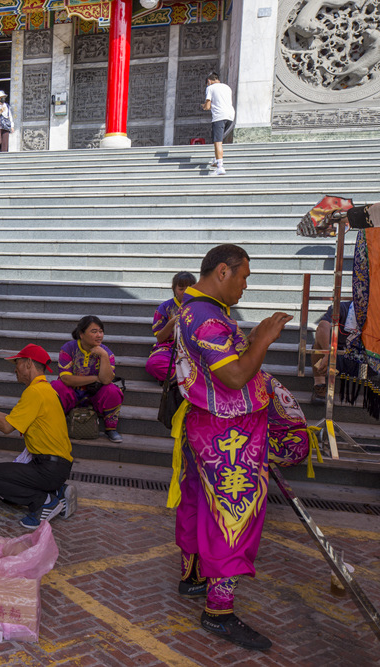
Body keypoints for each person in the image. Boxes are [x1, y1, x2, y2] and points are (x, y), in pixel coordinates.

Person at [170, 243, 308, 652]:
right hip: (226, 434)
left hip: (207, 425)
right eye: (244, 276)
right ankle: (219, 611)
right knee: (234, 513)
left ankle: (193, 576)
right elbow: (232, 376)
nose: (246, 286)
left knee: (197, 502)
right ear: (224, 272)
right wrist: (263, 338)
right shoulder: (208, 318)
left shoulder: (193, 306)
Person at [0, 344, 76, 529]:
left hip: (48, 468)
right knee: (4, 493)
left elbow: (7, 426)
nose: (15, 369)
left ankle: (44, 501)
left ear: (29, 364)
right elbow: (11, 420)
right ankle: (58, 491)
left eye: (17, 363)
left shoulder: (34, 392)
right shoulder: (45, 389)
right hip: (56, 466)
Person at [52, 316, 125, 443]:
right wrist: (96, 378)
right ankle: (57, 423)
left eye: (101, 331)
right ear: (81, 334)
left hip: (94, 395)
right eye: (94, 331)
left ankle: (110, 428)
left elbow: (107, 380)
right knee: (56, 386)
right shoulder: (68, 348)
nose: (99, 335)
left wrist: (103, 355)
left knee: (113, 390)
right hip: (72, 393)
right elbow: (66, 379)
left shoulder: (106, 352)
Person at [146, 271, 197, 383]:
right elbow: (160, 338)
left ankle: (179, 379)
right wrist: (172, 322)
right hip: (170, 348)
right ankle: (189, 380)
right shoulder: (164, 308)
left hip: (194, 349)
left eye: (189, 288)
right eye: (181, 288)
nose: (185, 292)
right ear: (174, 289)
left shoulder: (201, 306)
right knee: (154, 364)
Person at [311, 300, 358, 404]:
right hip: (336, 358)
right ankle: (320, 384)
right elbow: (323, 327)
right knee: (318, 344)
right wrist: (328, 354)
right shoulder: (341, 307)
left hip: (366, 360)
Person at [203, 72, 234, 176]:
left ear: (209, 81)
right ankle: (216, 160)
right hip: (230, 116)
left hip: (219, 117)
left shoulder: (210, 88)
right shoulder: (227, 87)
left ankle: (220, 167)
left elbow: (207, 107)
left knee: (217, 141)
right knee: (219, 139)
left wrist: (204, 106)